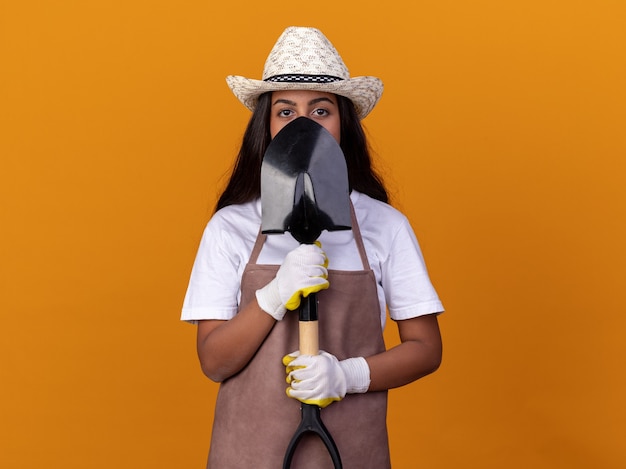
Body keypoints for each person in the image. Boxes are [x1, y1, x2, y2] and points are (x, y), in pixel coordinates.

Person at [181, 26, 444, 469]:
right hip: (247, 456)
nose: (303, 125)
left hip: (350, 453)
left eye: (321, 110)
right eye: (286, 111)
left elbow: (426, 348)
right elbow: (214, 362)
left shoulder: (385, 226)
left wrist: (349, 375)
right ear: (266, 123)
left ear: (345, 124)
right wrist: (273, 295)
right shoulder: (231, 228)